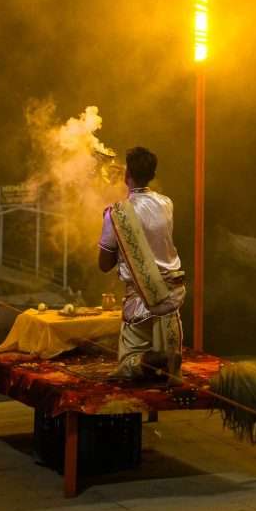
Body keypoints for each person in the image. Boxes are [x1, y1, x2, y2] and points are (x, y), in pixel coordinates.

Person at [98, 146, 186, 379]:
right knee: (168, 377)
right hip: (172, 295)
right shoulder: (167, 203)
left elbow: (104, 264)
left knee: (128, 365)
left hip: (141, 300)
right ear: (153, 175)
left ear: (127, 175)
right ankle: (165, 357)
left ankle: (149, 359)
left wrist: (113, 225)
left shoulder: (115, 213)